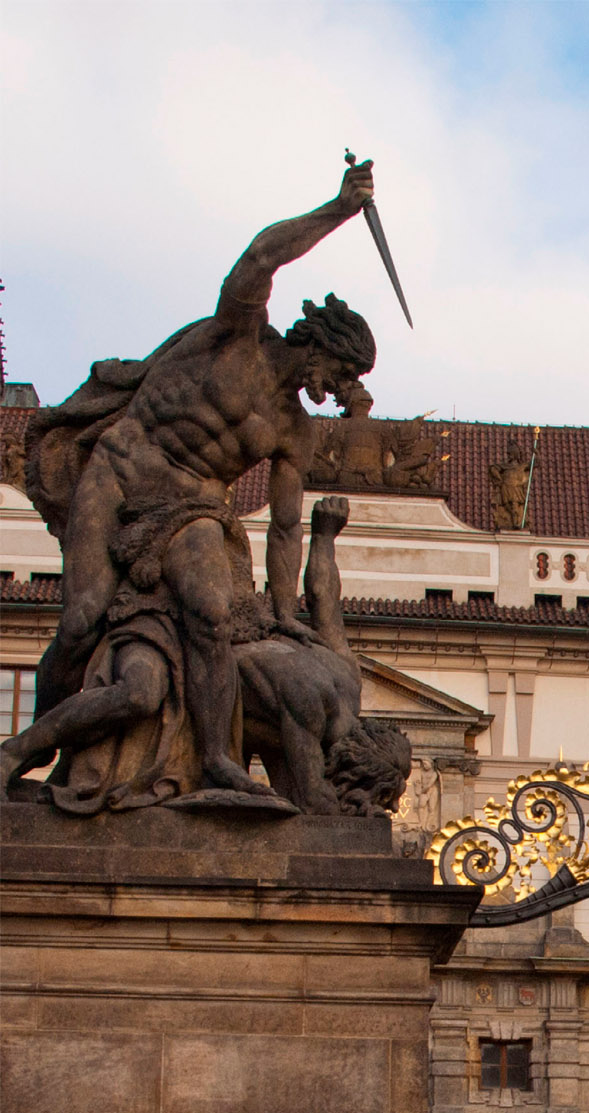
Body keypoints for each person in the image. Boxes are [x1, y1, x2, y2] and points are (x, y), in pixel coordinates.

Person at [10, 162, 380, 799]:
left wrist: (286, 613)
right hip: (121, 474)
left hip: (194, 509)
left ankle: (215, 757)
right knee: (81, 621)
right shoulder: (236, 336)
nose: (347, 392)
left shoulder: (295, 430)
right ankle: (40, 753)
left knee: (211, 616)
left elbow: (286, 529)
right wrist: (339, 209)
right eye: (345, 373)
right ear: (318, 346)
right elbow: (262, 254)